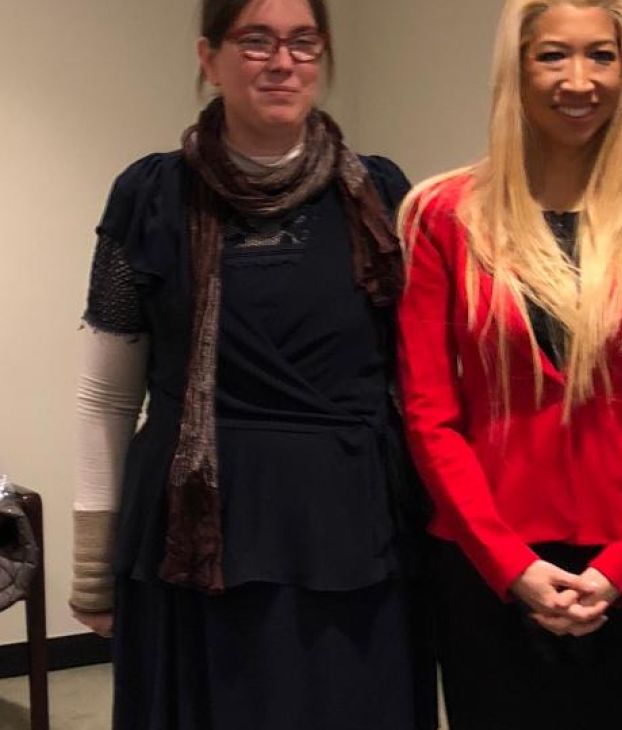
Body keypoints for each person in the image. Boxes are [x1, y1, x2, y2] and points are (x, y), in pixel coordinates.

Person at [69, 1, 430, 727]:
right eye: (256, 41)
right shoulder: (150, 194)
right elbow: (106, 397)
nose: (282, 61)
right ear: (209, 58)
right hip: (193, 535)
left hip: (352, 527)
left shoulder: (383, 195)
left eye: (302, 42)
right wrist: (90, 561)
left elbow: (418, 376)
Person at [396, 1, 622, 728]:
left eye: (601, 55)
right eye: (553, 55)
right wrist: (510, 565)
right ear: (517, 66)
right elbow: (430, 414)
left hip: (616, 569)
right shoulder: (442, 217)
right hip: (484, 563)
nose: (580, 79)